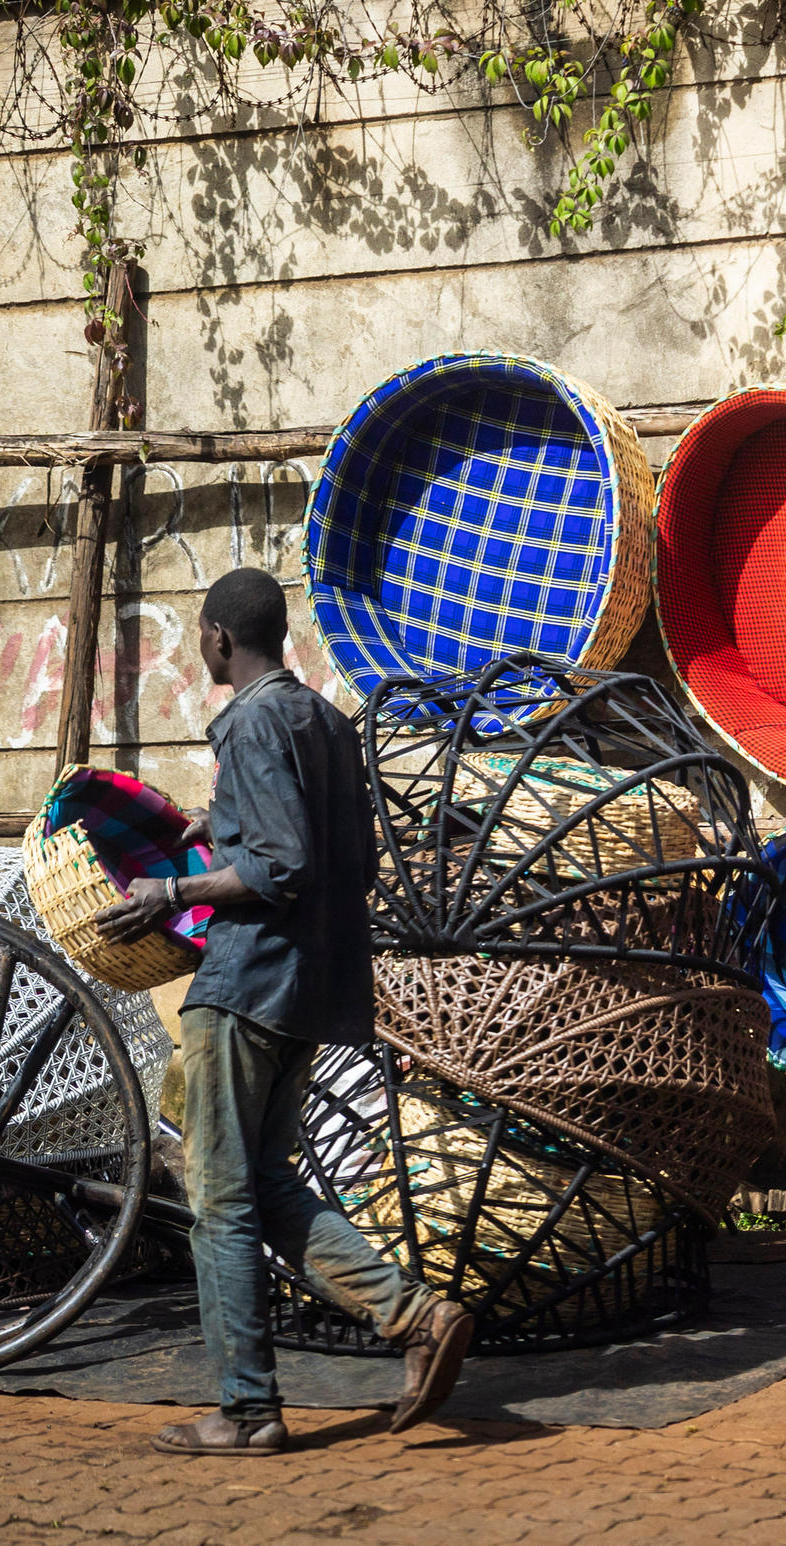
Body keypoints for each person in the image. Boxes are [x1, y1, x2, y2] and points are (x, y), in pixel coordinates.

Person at [96, 567, 474, 1456]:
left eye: (200, 635)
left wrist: (170, 891)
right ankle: (415, 1317)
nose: (200, 648)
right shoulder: (326, 723)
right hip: (310, 989)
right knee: (262, 1186)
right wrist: (217, 825)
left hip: (246, 989)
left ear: (221, 638)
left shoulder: (254, 720)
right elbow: (328, 853)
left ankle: (247, 1409)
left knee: (218, 1202)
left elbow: (281, 867)